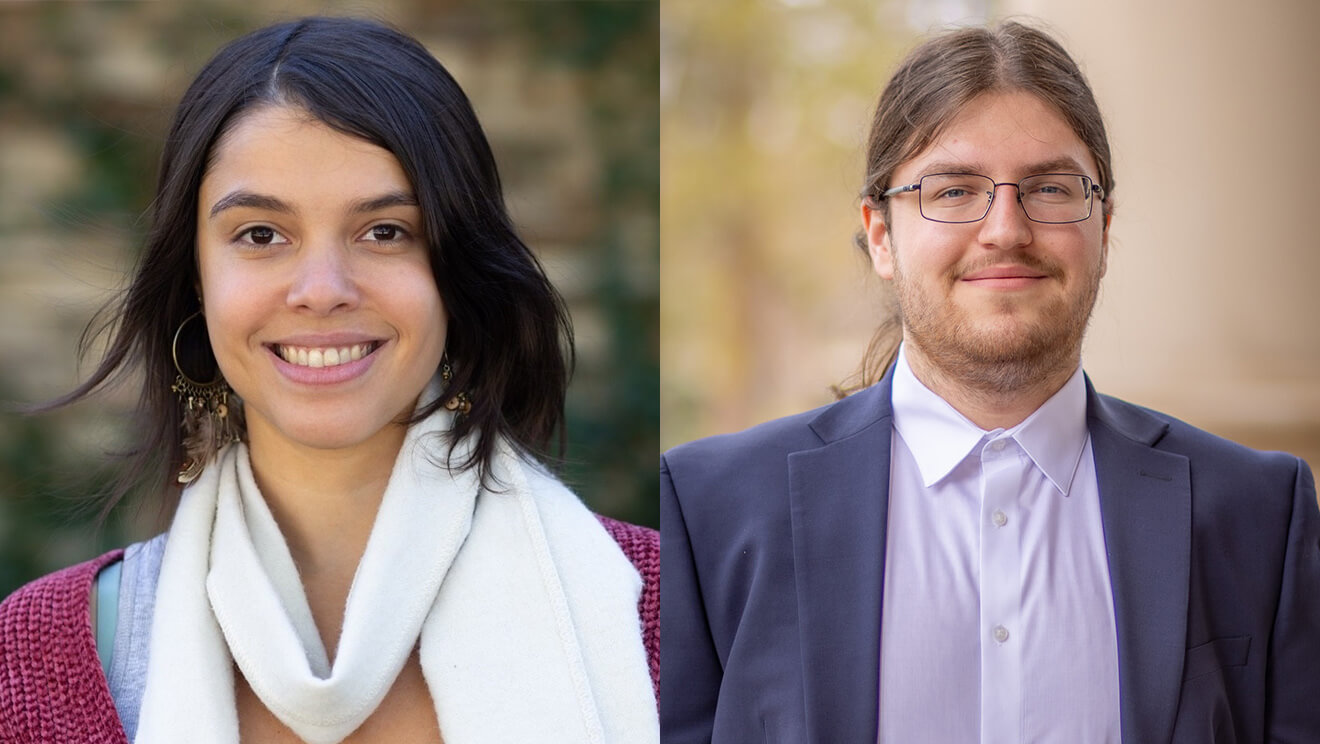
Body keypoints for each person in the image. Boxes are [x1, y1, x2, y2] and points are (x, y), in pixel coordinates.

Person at [0, 17, 658, 744]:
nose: (321, 290)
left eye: (384, 232)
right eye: (260, 235)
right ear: (194, 278)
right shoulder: (37, 655)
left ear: (457, 272)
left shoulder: (663, 613)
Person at [661, 20, 1319, 744]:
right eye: (952, 190)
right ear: (881, 234)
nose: (1006, 229)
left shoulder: (1259, 513)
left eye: (1050, 187)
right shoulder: (708, 513)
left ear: (1105, 222)